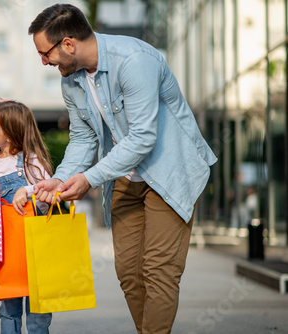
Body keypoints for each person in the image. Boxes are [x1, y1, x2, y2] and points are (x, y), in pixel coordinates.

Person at [28, 4, 217, 334]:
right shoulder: (72, 81)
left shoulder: (133, 60)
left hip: (169, 173)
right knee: (129, 273)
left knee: (159, 270)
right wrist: (58, 180)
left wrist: (90, 178)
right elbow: (83, 137)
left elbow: (143, 137)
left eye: (46, 53)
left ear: (68, 44)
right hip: (125, 179)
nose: (44, 61)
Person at [0, 99, 53, 334]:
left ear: (9, 134)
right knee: (8, 311)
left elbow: (51, 190)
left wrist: (27, 191)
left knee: (38, 312)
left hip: (36, 248)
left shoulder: (32, 161)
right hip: (5, 249)